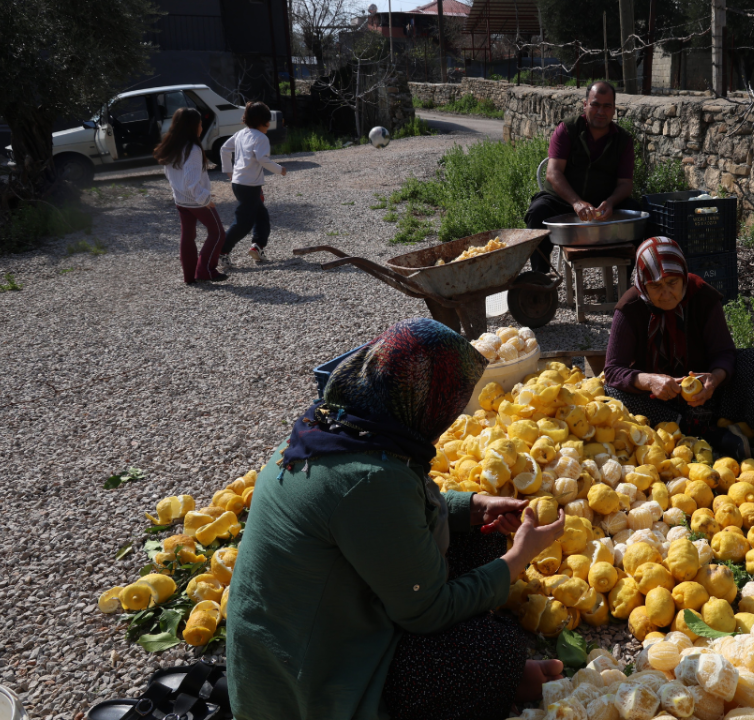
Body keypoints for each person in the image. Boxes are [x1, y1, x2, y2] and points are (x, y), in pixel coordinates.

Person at [226, 319, 567, 720]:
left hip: (312, 631)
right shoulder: (372, 479)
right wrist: (519, 557)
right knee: (491, 651)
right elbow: (428, 611)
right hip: (309, 689)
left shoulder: (336, 426)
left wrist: (473, 506)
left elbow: (390, 514)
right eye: (452, 402)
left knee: (481, 536)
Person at [603, 237, 754, 477]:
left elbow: (723, 351)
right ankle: (711, 435)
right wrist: (650, 381)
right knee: (612, 392)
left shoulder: (701, 296)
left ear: (683, 276)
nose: (666, 293)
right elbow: (613, 369)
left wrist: (715, 378)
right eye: (655, 286)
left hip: (711, 400)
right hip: (660, 406)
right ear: (642, 284)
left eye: (672, 282)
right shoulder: (630, 308)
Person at [523, 80, 645, 273]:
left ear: (614, 109)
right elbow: (553, 173)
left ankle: (628, 281)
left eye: (607, 106)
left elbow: (625, 184)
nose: (601, 111)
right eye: (595, 105)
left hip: (602, 207)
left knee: (637, 214)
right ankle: (540, 278)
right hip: (563, 201)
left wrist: (611, 202)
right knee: (537, 211)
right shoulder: (567, 129)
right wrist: (576, 202)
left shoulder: (623, 140)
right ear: (585, 105)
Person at [153, 107, 227, 285]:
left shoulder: (171, 147)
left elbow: (172, 176)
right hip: (196, 201)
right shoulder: (192, 149)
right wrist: (205, 199)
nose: (202, 127)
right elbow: (191, 181)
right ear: (193, 126)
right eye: (200, 123)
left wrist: (182, 193)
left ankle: (190, 276)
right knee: (217, 233)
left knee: (187, 236)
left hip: (181, 200)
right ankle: (206, 271)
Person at [220, 101, 286, 266]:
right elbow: (263, 159)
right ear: (264, 121)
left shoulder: (241, 134)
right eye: (268, 121)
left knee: (261, 215)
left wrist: (229, 171)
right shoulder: (261, 138)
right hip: (249, 186)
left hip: (239, 183)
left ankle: (258, 246)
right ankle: (221, 251)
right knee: (243, 223)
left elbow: (224, 149)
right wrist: (280, 169)